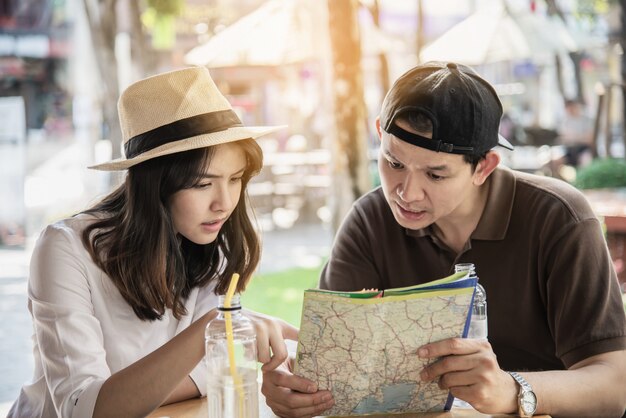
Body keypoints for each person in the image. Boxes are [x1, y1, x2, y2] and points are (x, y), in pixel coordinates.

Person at [262, 62, 626, 417]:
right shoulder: (369, 221)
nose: (407, 193)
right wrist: (298, 394)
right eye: (394, 163)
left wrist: (511, 390)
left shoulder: (560, 218)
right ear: (379, 134)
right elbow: (333, 369)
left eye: (435, 175)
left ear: (483, 167)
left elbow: (614, 388)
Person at [8, 67, 297, 418]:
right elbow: (84, 409)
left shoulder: (208, 242)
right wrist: (213, 327)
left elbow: (217, 370)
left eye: (235, 179)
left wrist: (131, 393)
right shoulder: (66, 249)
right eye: (202, 184)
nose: (223, 202)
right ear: (155, 185)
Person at [558, 99, 595, 167]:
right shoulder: (565, 122)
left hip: (584, 150)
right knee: (555, 162)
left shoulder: (587, 120)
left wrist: (573, 138)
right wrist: (580, 137)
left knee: (586, 161)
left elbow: (590, 139)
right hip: (569, 150)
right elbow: (563, 138)